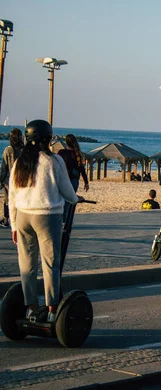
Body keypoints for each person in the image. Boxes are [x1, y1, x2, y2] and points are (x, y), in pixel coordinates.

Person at [9, 120, 82, 323]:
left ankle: (31, 309)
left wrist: (14, 225)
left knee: (27, 265)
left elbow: (12, 195)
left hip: (23, 216)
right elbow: (67, 190)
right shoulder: (53, 161)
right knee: (51, 264)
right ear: (46, 139)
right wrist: (76, 199)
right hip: (47, 217)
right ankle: (51, 310)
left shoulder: (20, 162)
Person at [0, 128, 24, 228]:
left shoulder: (8, 150)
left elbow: (4, 167)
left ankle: (6, 219)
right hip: (22, 179)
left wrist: (1, 180)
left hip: (9, 179)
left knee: (8, 200)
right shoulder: (24, 150)